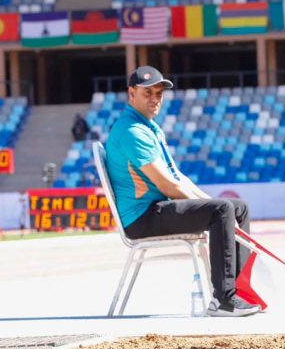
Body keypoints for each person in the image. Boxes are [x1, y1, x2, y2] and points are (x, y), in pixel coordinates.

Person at [104, 66, 259, 317]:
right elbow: (168, 186)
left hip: (155, 209)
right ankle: (224, 299)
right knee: (221, 210)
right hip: (141, 218)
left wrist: (210, 201)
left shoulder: (150, 128)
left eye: (159, 93)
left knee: (237, 207)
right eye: (148, 93)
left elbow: (178, 178)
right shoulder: (132, 132)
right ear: (131, 93)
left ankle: (239, 290)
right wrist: (216, 208)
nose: (155, 99)